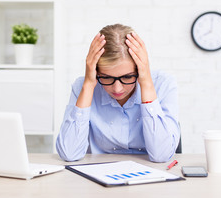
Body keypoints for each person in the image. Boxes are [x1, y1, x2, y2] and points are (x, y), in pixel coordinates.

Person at [56, 24, 180, 162]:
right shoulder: (83, 87)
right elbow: (69, 154)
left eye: (127, 77)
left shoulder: (163, 84)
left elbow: (161, 156)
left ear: (139, 70)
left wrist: (146, 83)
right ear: (96, 71)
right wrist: (88, 85)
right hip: (100, 174)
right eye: (106, 77)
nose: (117, 89)